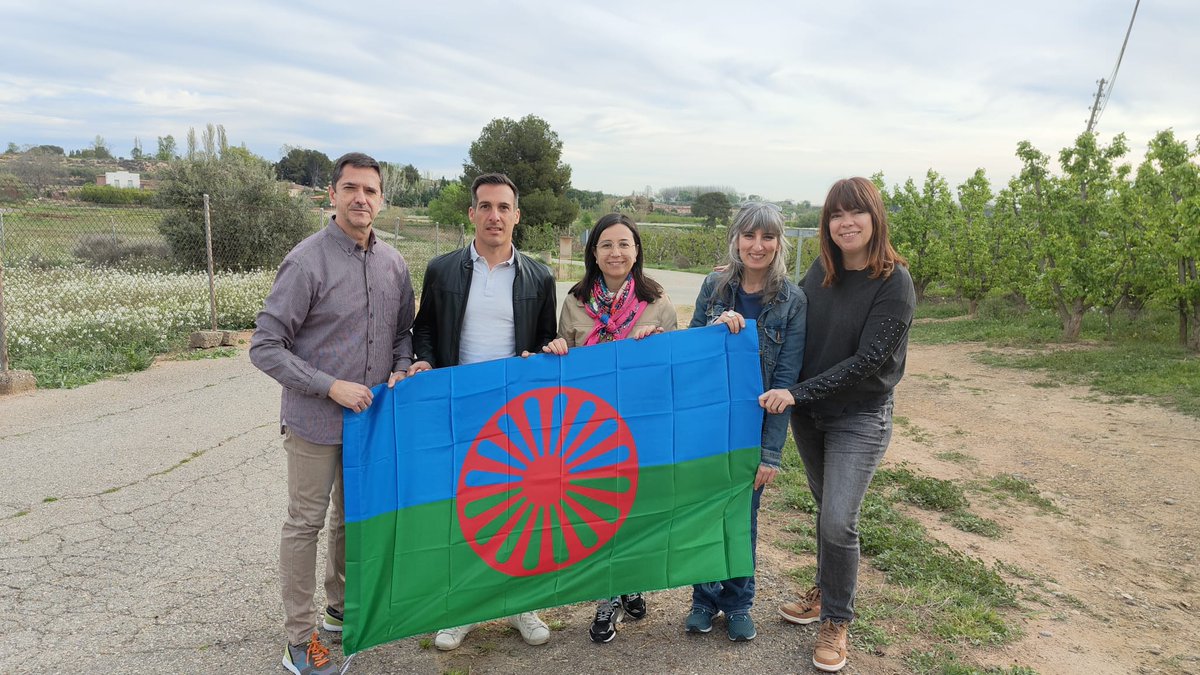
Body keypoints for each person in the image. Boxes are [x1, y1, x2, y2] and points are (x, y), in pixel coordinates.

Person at [250, 152, 416, 675]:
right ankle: (299, 641)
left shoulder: (393, 263)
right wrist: (331, 387)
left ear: (382, 199)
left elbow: (404, 333)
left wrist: (402, 366)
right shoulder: (306, 261)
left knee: (351, 522)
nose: (360, 199)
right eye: (351, 189)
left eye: (370, 190)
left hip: (369, 423)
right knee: (305, 524)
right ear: (333, 194)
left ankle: (339, 611)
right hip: (315, 422)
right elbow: (265, 346)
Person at [759, 177, 916, 673]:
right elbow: (784, 308)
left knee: (837, 520)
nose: (845, 223)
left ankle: (837, 620)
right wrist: (741, 278)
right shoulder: (820, 272)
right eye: (836, 215)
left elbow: (868, 361)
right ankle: (825, 592)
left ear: (875, 219)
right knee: (827, 510)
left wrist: (796, 393)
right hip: (811, 417)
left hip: (860, 417)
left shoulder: (894, 283)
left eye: (856, 213)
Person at [407, 172, 558, 650]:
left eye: (504, 207)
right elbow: (424, 328)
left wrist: (547, 350)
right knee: (464, 507)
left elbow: (543, 341)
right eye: (486, 206)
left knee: (518, 506)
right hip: (460, 408)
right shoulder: (442, 269)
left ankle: (518, 603)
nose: (495, 216)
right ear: (471, 213)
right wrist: (425, 359)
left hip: (517, 414)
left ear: (517, 216)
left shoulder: (540, 276)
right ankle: (463, 607)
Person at [541, 212, 678, 643]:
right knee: (599, 513)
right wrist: (558, 347)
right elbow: (561, 364)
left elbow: (673, 366)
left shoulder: (658, 302)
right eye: (606, 245)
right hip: (590, 432)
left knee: (634, 511)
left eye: (624, 244)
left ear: (636, 250)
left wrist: (658, 344)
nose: (615, 252)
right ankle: (605, 598)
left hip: (640, 425)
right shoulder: (575, 302)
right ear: (594, 253)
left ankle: (630, 582)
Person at [683, 202, 807, 642]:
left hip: (752, 433)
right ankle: (702, 599)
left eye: (768, 237)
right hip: (708, 426)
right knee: (702, 514)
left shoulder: (793, 301)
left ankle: (737, 602)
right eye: (749, 236)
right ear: (735, 239)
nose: (758, 246)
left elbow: (786, 382)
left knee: (742, 519)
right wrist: (714, 330)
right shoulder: (714, 287)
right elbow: (689, 353)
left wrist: (770, 453)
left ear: (779, 244)